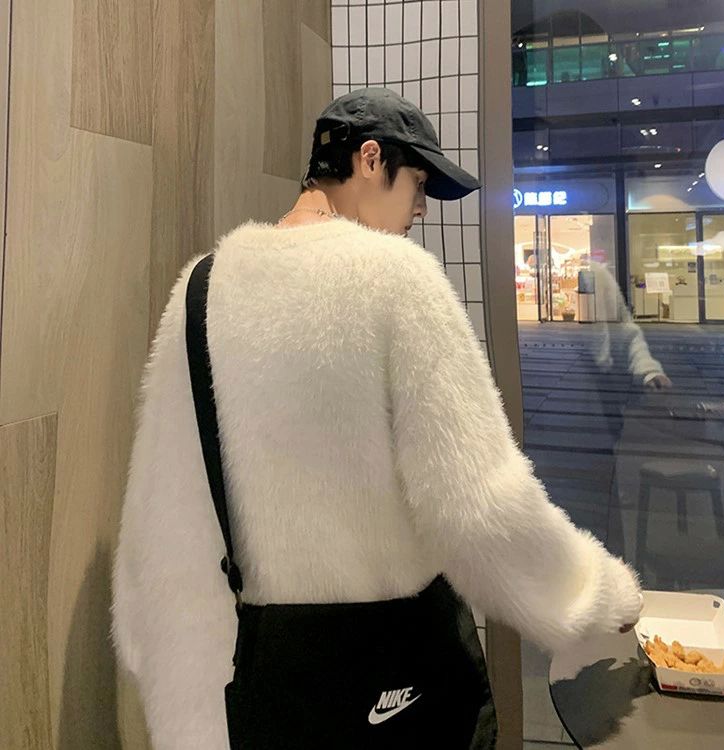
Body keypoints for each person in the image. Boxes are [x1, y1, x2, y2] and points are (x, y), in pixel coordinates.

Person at [111, 88, 643, 750]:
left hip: (260, 691)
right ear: (369, 159)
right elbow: (480, 505)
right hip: (394, 682)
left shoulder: (199, 288)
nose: (421, 209)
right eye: (418, 183)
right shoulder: (396, 277)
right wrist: (597, 594)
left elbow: (164, 514)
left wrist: (180, 704)